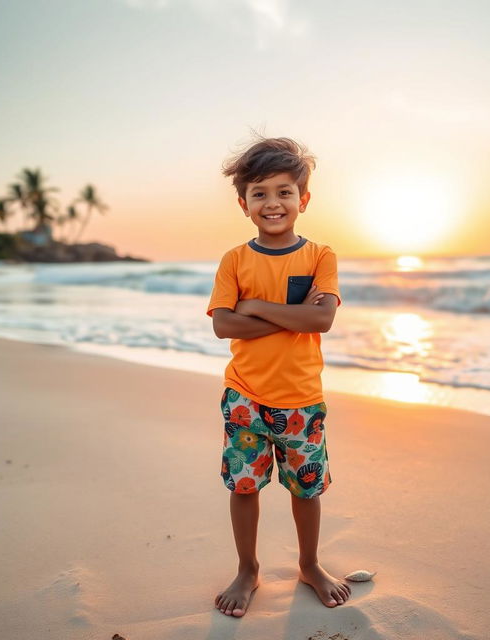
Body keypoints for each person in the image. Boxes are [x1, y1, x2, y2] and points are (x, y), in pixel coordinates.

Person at [206, 135, 351, 617]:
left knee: (305, 490)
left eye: (284, 191)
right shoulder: (234, 260)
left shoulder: (319, 257)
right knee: (244, 487)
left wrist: (259, 308)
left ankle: (310, 564)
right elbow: (224, 325)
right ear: (243, 202)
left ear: (303, 199)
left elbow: (322, 320)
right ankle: (248, 569)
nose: (273, 203)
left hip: (301, 399)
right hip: (244, 396)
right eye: (261, 193)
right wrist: (293, 313)